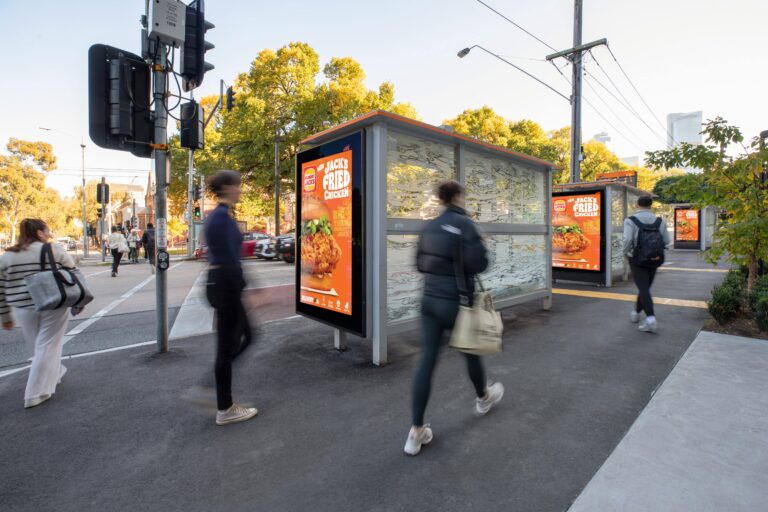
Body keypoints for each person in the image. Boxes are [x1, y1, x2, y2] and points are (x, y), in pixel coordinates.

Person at [405, 180, 504, 456]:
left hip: (429, 302)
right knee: (471, 353)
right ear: (458, 197)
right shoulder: (466, 225)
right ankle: (483, 398)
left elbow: (419, 264)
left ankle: (415, 432)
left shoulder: (428, 226)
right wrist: (482, 244)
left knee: (426, 361)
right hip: (457, 302)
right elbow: (480, 264)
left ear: (440, 199)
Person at [0, 219, 85, 408]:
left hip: (23, 308)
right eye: (47, 231)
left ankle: (55, 373)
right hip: (53, 303)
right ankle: (35, 393)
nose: (49, 234)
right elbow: (74, 274)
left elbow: (1, 288)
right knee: (47, 344)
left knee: (37, 345)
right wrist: (79, 301)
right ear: (39, 233)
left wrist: (5, 316)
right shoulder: (54, 250)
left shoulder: (7, 257)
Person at [204, 170, 256, 426]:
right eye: (237, 186)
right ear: (226, 188)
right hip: (227, 286)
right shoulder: (222, 218)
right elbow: (229, 260)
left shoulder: (218, 216)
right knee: (227, 347)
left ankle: (216, 381)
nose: (240, 190)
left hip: (224, 285)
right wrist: (245, 286)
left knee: (248, 336)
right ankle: (224, 407)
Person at [623, 195, 671, 333]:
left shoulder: (630, 220)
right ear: (651, 206)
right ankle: (636, 313)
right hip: (655, 258)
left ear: (637, 205)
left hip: (637, 259)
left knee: (643, 288)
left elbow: (627, 240)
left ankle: (650, 319)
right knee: (644, 287)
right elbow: (666, 241)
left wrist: (625, 254)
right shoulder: (659, 221)